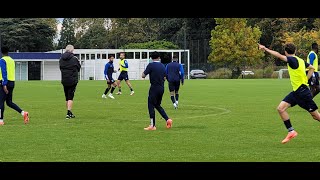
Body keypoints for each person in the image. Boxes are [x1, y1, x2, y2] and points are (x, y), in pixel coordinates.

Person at [258, 43, 320, 144]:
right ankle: (291, 131)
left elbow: (278, 55)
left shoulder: (292, 60)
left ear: (286, 52)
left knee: (316, 116)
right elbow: (312, 68)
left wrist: (265, 49)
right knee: (281, 108)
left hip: (303, 93)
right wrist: (306, 78)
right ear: (295, 50)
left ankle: (291, 131)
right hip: (297, 92)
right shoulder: (300, 60)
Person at [142, 51, 172, 131]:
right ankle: (167, 119)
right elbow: (165, 77)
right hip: (161, 88)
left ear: (151, 58)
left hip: (154, 87)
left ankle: (152, 125)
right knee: (157, 105)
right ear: (159, 58)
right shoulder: (162, 66)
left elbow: (143, 75)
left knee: (150, 104)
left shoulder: (150, 65)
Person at [0, 46, 29, 125]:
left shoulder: (2, 60)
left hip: (4, 83)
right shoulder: (12, 60)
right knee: (9, 102)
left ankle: (1, 120)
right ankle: (23, 113)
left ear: (1, 52)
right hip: (12, 82)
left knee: (1, 102)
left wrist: (4, 84)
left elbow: (4, 72)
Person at [59, 45, 81, 120]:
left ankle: (69, 112)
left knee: (66, 97)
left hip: (64, 79)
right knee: (70, 97)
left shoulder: (61, 58)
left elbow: (60, 67)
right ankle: (68, 113)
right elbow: (78, 68)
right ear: (72, 50)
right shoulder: (74, 58)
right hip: (72, 80)